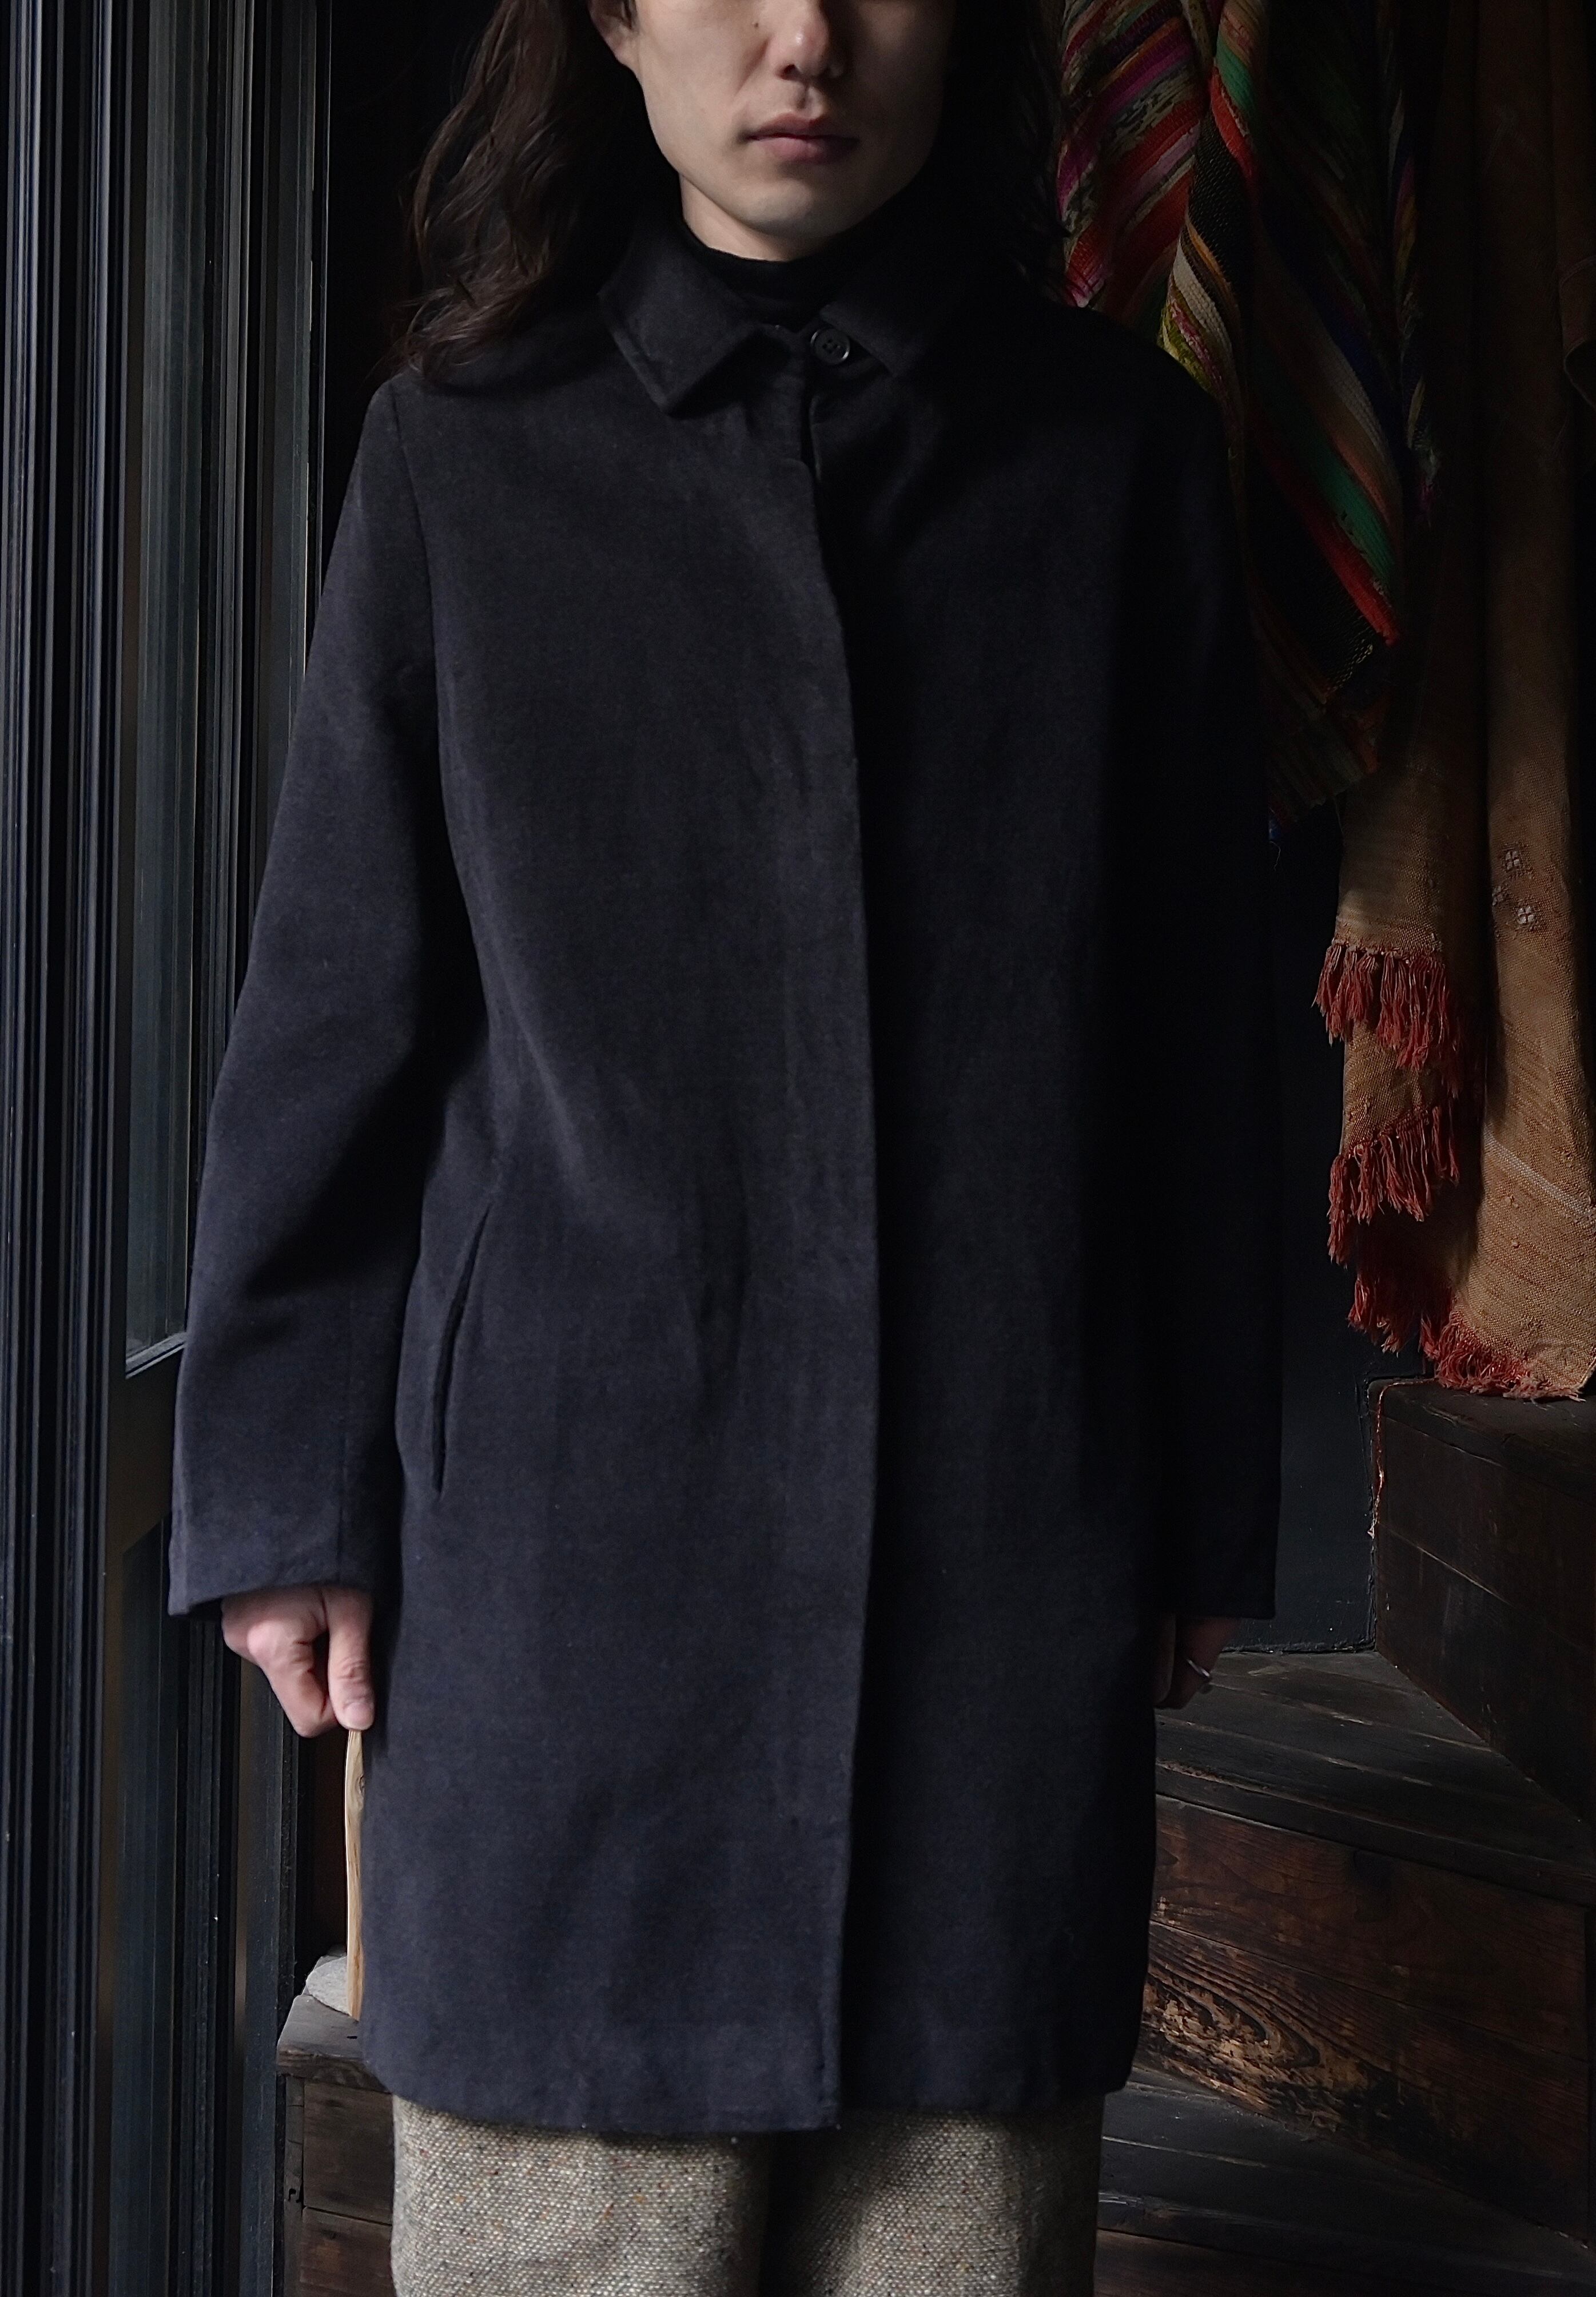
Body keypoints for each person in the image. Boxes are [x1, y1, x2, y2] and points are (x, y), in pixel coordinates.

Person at [170, 0, 1281, 2288]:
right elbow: (337, 1014)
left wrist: (1187, 1497)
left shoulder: (1119, 460)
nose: (804, 41)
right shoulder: (461, 455)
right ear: (610, 17)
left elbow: (1194, 1034)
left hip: (999, 1549)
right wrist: (284, 1500)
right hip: (563, 1573)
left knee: (958, 2205)